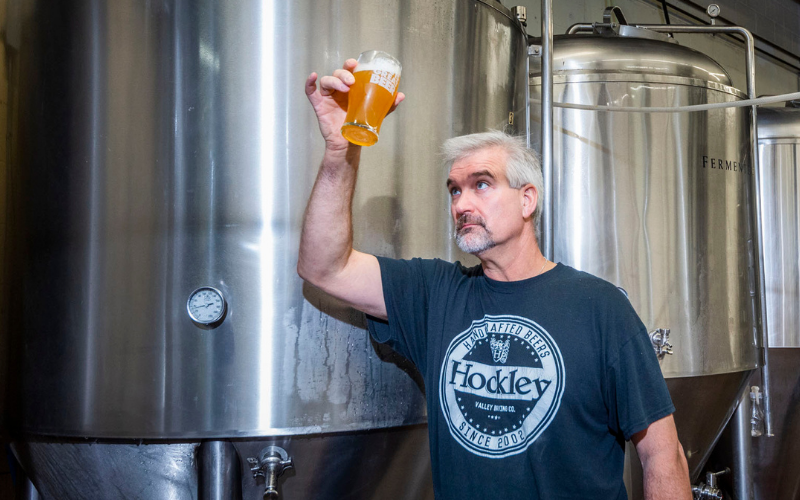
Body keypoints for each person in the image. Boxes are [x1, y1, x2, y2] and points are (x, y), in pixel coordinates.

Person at [299, 59, 692, 500]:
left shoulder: (599, 307)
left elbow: (662, 454)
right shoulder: (435, 293)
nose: (462, 203)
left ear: (527, 200)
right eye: (454, 190)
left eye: (481, 185)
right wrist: (340, 151)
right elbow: (324, 267)